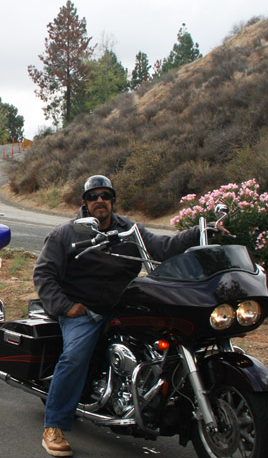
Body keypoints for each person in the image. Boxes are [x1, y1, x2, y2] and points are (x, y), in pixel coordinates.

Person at [33, 175, 202, 457]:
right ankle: (54, 426)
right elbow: (43, 273)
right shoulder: (68, 233)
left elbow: (163, 248)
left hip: (124, 306)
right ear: (85, 203)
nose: (99, 200)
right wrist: (66, 306)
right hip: (84, 309)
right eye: (93, 196)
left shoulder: (130, 229)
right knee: (74, 357)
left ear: (113, 200)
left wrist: (199, 231)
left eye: (105, 195)